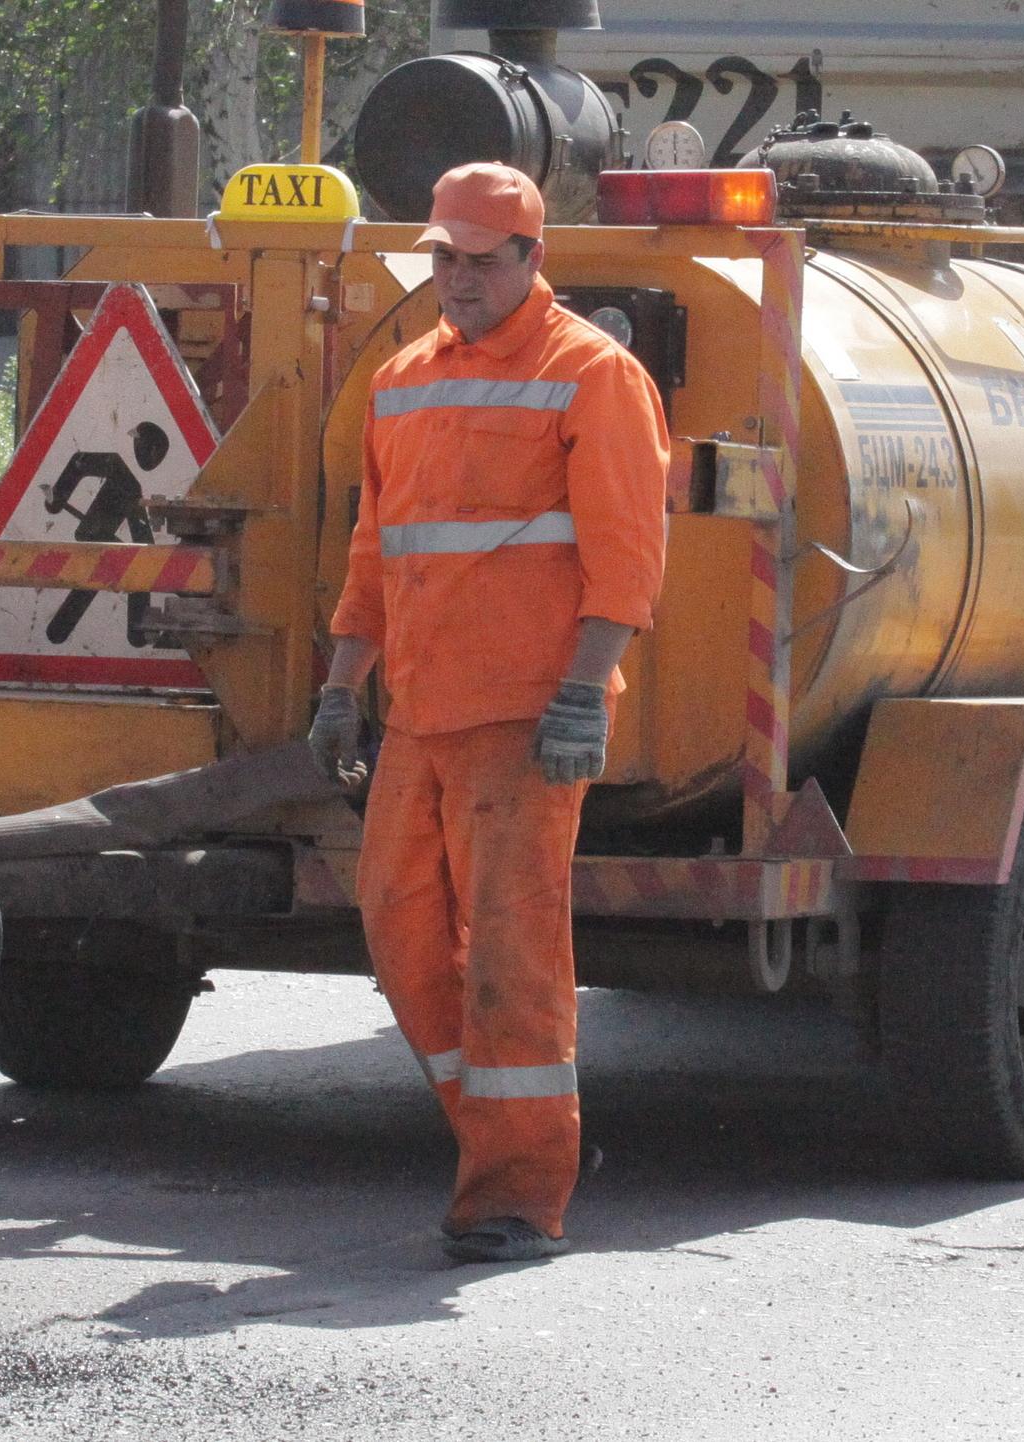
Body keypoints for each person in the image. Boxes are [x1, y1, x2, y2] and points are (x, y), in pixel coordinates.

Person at [308, 161, 670, 1265]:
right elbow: (375, 553)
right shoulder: (401, 379)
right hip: (420, 713)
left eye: (478, 261)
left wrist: (584, 690)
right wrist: (341, 685)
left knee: (513, 955)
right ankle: (500, 1130)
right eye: (443, 260)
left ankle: (515, 1197)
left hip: (526, 717)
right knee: (398, 926)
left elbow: (625, 557)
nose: (457, 280)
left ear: (530, 257)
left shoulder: (591, 372)